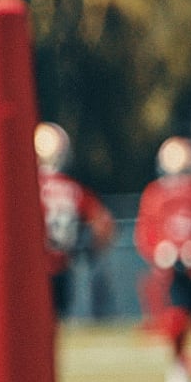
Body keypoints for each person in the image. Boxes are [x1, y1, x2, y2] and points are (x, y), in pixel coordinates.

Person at [134, 135, 191, 382]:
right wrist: (161, 250)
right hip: (174, 273)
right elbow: (145, 232)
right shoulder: (155, 193)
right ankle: (179, 373)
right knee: (175, 322)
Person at [33, 122, 116, 319]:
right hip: (63, 262)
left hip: (34, 265)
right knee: (59, 320)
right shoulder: (74, 190)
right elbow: (104, 225)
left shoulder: (26, 187)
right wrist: (89, 248)